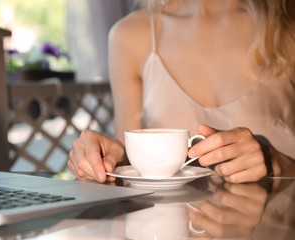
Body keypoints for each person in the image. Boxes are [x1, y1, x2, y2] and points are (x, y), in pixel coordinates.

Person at [67, 0, 295, 184]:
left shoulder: (288, 30)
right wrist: (104, 160)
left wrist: (278, 163)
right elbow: (128, 168)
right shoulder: (130, 35)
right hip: (163, 238)